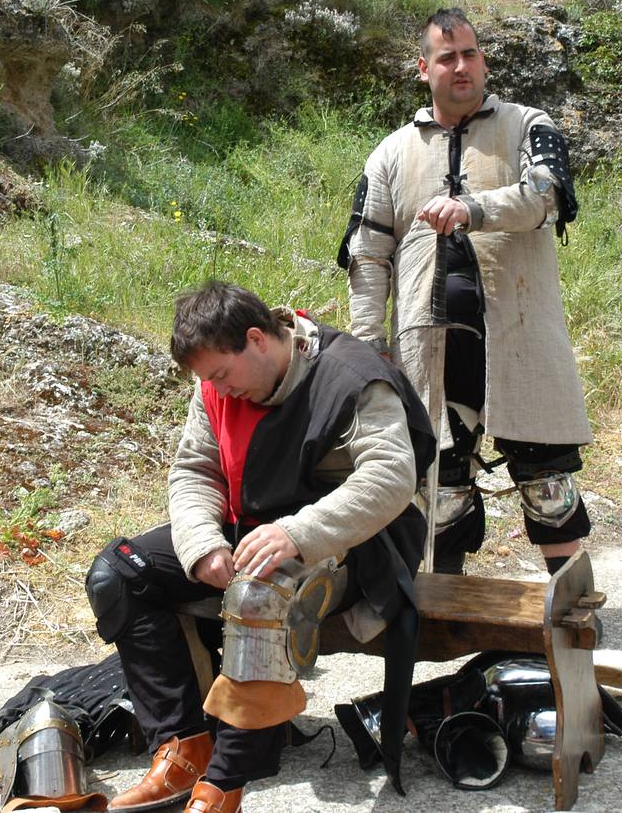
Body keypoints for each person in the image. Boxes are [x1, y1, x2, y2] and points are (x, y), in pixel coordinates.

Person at [85, 282, 434, 813]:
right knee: (120, 572)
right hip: (253, 530)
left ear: (257, 339)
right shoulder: (217, 384)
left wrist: (296, 533)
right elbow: (196, 470)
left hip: (354, 544)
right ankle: (183, 745)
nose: (218, 392)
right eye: (208, 381)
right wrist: (202, 545)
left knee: (256, 595)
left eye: (222, 375)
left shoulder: (351, 376)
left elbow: (390, 478)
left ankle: (226, 784)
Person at [337, 7, 593, 576]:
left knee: (546, 476)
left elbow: (545, 197)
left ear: (483, 61)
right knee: (441, 483)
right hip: (428, 344)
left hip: (518, 331)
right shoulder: (391, 153)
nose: (461, 67)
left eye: (470, 54)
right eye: (447, 57)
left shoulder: (528, 124)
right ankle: (449, 612)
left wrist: (475, 208)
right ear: (423, 68)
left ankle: (574, 608)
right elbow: (367, 252)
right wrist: (366, 340)